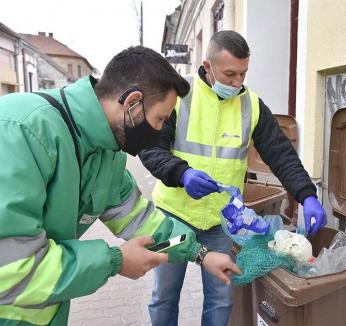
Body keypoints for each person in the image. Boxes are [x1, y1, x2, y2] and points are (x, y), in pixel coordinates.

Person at [0, 46, 240, 326]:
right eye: (160, 119)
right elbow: (11, 269)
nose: (161, 132)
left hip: (44, 311)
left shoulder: (106, 153)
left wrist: (202, 254)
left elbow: (142, 221)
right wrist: (114, 261)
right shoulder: (21, 131)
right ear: (133, 103)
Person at [139, 31, 327, 326]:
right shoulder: (177, 95)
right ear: (207, 65)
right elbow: (149, 147)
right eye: (229, 74)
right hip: (172, 217)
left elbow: (281, 154)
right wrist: (182, 173)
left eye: (243, 73)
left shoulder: (251, 105)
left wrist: (307, 195)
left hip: (221, 223)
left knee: (221, 298)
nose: (238, 82)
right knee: (164, 294)